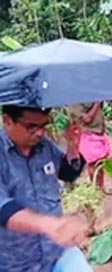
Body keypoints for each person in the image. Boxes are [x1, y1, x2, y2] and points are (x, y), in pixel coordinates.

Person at [0, 105, 92, 271]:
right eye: (31, 127)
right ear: (7, 120)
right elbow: (3, 208)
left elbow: (67, 174)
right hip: (15, 261)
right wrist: (48, 224)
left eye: (43, 126)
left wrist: (72, 146)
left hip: (57, 251)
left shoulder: (44, 147)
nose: (40, 133)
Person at [69, 102, 112, 194]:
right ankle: (95, 189)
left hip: (98, 131)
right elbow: (87, 119)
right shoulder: (74, 104)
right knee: (92, 163)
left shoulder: (90, 96)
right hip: (88, 134)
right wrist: (97, 103)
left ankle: (101, 188)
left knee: (101, 162)